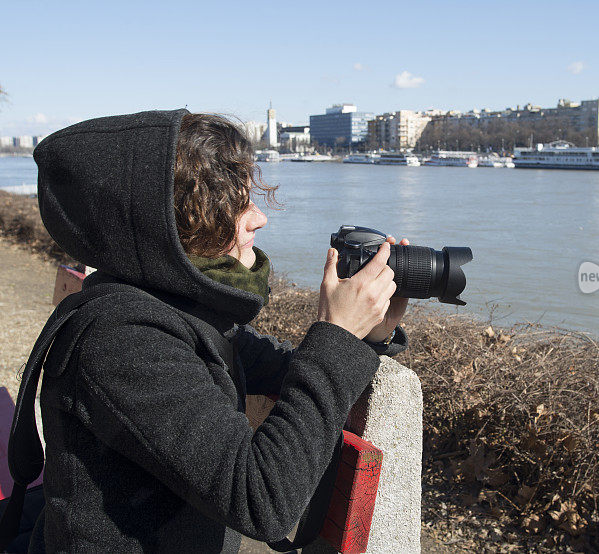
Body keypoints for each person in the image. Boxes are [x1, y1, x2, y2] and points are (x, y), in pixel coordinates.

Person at [28, 109, 408, 552]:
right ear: (169, 225)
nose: (259, 219)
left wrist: (369, 332)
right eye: (235, 205)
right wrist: (335, 331)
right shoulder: (123, 339)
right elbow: (264, 500)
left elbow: (294, 371)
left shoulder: (168, 310)